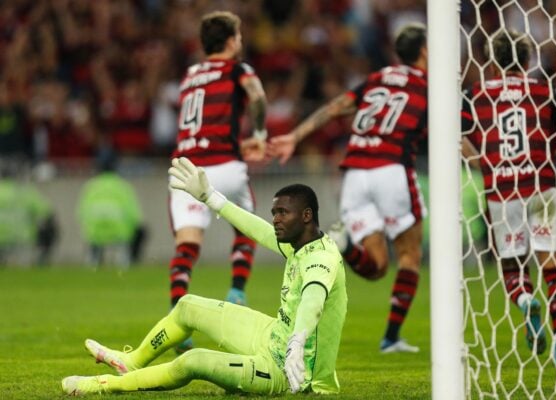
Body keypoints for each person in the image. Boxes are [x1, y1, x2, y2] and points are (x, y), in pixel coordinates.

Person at [61, 156, 348, 396]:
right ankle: (131, 361)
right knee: (186, 306)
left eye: (283, 212)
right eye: (274, 212)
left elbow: (314, 298)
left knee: (193, 361)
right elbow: (257, 229)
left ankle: (106, 385)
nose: (275, 219)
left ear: (307, 215)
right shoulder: (299, 243)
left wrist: (297, 342)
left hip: (291, 370)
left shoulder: (321, 258)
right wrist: (211, 197)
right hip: (273, 336)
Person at [268, 23, 428, 353]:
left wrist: (295, 136)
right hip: (391, 168)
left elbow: (335, 107)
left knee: (376, 266)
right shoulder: (429, 85)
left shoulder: (377, 79)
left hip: (355, 173)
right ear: (425, 51)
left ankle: (343, 245)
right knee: (410, 255)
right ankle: (391, 337)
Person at [461, 29, 556, 367]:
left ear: (493, 64)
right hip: (541, 187)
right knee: (555, 269)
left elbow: (454, 134)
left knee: (512, 264)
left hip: (502, 192)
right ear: (526, 61)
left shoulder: (475, 95)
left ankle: (524, 300)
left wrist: (480, 158)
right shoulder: (546, 92)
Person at [166, 11, 268, 354]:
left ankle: (178, 317)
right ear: (231, 40)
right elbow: (256, 96)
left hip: (185, 166)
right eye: (238, 36)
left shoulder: (190, 76)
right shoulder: (238, 69)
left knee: (187, 245)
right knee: (247, 227)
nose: (240, 42)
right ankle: (237, 290)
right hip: (223, 163)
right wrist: (259, 134)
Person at [76, 150, 146, 267]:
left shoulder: (90, 186)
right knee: (142, 231)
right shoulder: (122, 186)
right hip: (119, 233)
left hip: (95, 233)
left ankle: (93, 260)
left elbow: (81, 213)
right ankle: (130, 261)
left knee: (94, 239)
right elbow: (136, 216)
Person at [0, 161, 58, 266]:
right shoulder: (24, 192)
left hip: (2, 239)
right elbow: (48, 213)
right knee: (51, 228)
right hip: (23, 240)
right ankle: (41, 261)